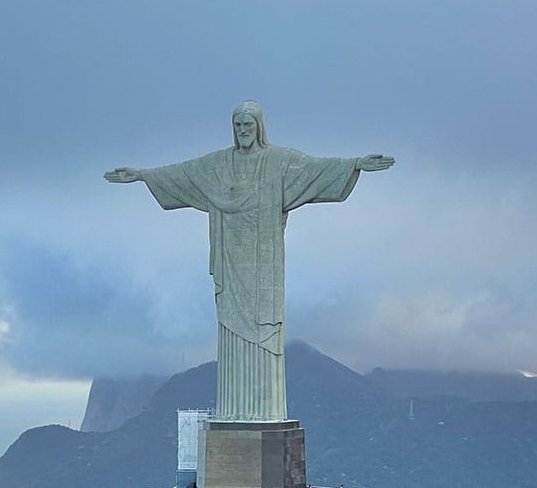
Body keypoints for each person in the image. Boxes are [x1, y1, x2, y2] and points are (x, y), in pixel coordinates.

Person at [106, 101, 391, 421]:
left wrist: (355, 164)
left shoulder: (279, 163)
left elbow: (315, 169)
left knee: (265, 335)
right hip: (230, 270)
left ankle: (264, 413)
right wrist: (142, 175)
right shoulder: (216, 166)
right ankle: (233, 413)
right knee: (230, 335)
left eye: (248, 125)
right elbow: (181, 174)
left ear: (259, 127)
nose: (243, 131)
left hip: (263, 275)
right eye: (238, 125)